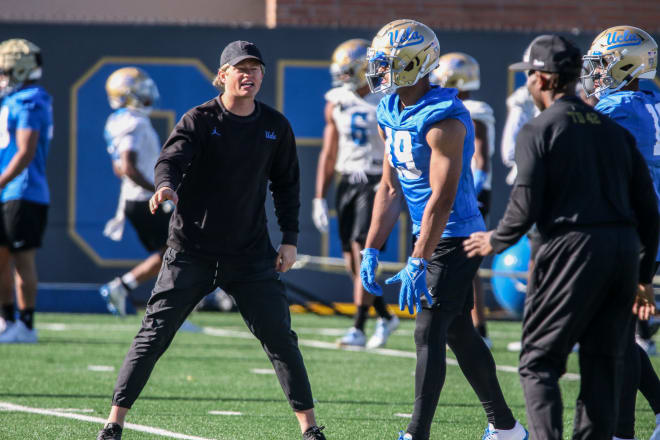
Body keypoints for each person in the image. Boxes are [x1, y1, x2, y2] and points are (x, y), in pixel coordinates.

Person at [96, 40, 326, 440]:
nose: (248, 74)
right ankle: (114, 422)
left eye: (255, 68)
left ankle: (309, 429)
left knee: (280, 339)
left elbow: (287, 186)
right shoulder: (200, 118)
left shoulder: (275, 125)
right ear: (222, 75)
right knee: (154, 334)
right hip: (192, 250)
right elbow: (170, 160)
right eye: (240, 68)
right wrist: (165, 187)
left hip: (250, 254)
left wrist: (290, 239)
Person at [464, 34, 659, 440]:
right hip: (630, 242)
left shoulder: (580, 119)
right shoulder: (628, 116)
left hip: (577, 241)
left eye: (533, 74)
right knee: (608, 354)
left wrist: (495, 239)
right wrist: (642, 272)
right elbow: (646, 205)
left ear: (542, 79)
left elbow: (527, 199)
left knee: (540, 362)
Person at [359, 19, 527, 440]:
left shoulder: (445, 119)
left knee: (428, 329)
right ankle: (505, 426)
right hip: (430, 232)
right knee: (458, 332)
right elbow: (389, 185)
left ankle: (417, 434)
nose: (377, 69)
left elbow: (442, 198)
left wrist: (417, 258)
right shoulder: (389, 110)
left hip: (458, 235)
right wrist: (371, 248)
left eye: (388, 62)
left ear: (414, 63)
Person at [582, 24, 660, 440]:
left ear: (628, 65)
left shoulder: (618, 109)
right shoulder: (651, 101)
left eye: (602, 65)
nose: (595, 72)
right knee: (615, 332)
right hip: (647, 225)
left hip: (629, 228)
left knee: (613, 334)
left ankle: (623, 432)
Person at [312, 38, 399, 349]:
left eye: (349, 71)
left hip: (377, 178)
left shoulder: (387, 98)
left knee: (364, 250)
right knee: (351, 260)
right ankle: (385, 317)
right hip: (347, 180)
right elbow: (329, 151)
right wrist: (319, 196)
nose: (344, 78)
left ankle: (359, 328)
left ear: (364, 69)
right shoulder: (337, 100)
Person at [431, 52, 495, 349]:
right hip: (462, 189)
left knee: (468, 262)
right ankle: (468, 326)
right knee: (464, 265)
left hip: (471, 192)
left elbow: (481, 160)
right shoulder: (456, 107)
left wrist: (471, 189)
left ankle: (478, 328)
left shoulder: (472, 109)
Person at [98, 67, 171, 317]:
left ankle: (124, 287)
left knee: (174, 253)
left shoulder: (116, 120)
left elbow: (118, 168)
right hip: (145, 199)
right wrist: (161, 189)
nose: (147, 94)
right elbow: (127, 167)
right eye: (141, 89)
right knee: (179, 251)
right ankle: (163, 307)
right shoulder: (134, 121)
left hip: (134, 199)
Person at [0, 39, 52, 344]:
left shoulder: (32, 99)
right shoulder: (11, 100)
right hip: (7, 189)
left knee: (22, 260)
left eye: (5, 70)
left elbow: (25, 151)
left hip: (23, 190)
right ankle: (7, 320)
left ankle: (27, 324)